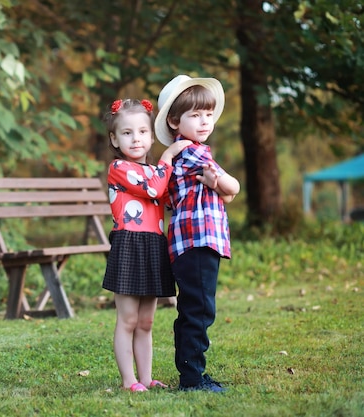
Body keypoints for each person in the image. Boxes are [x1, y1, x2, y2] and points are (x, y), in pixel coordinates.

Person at [154, 75, 241, 392]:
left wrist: (221, 187)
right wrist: (225, 185)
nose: (205, 121)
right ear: (175, 120)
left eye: (209, 114)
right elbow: (233, 188)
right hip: (198, 239)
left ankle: (192, 373)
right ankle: (192, 378)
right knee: (199, 310)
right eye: (196, 115)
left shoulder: (182, 154)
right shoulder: (195, 154)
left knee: (192, 307)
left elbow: (225, 193)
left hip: (187, 242)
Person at [102, 98, 191, 392]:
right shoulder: (119, 168)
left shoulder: (155, 171)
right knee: (127, 319)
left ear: (151, 135)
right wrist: (167, 159)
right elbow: (153, 188)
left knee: (146, 321)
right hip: (128, 245)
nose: (136, 138)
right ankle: (129, 381)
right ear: (115, 138)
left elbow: (168, 196)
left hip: (153, 245)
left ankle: (146, 378)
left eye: (142, 132)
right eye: (127, 133)